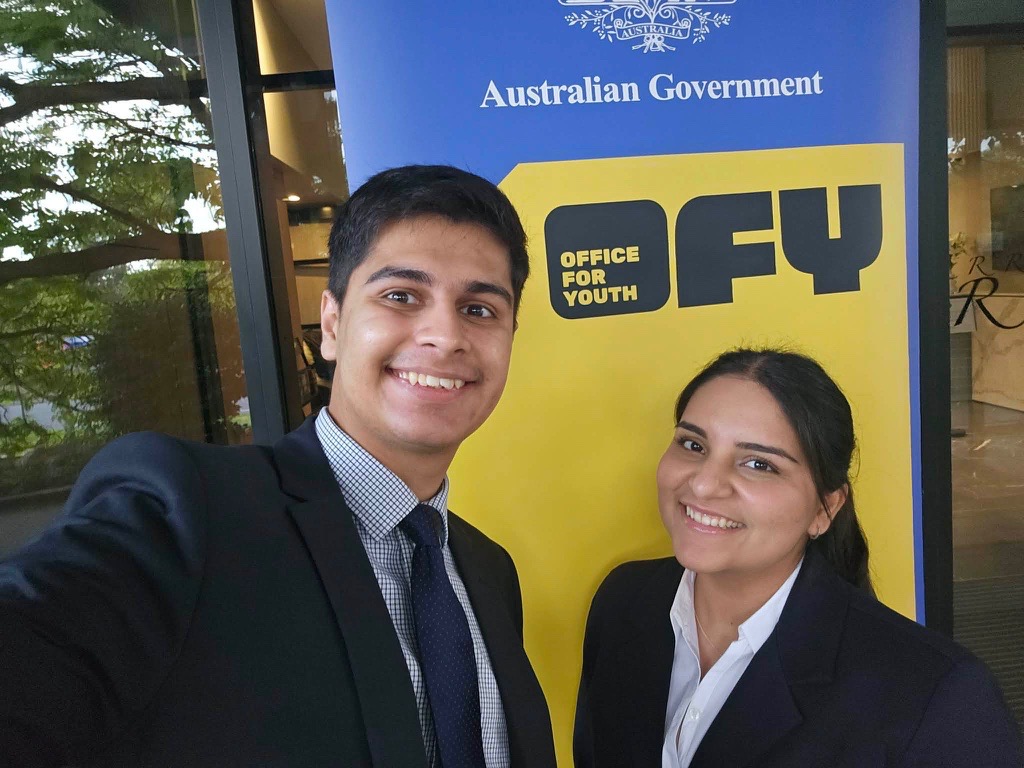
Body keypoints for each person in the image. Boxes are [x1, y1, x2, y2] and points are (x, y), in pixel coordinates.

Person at [0, 165, 557, 768]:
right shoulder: (189, 513)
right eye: (401, 296)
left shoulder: (487, 570)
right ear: (335, 323)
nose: (445, 335)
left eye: (479, 310)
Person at [574, 348, 1023, 768]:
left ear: (825, 509)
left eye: (759, 464)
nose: (704, 485)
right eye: (693, 445)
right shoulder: (623, 601)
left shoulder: (935, 695)